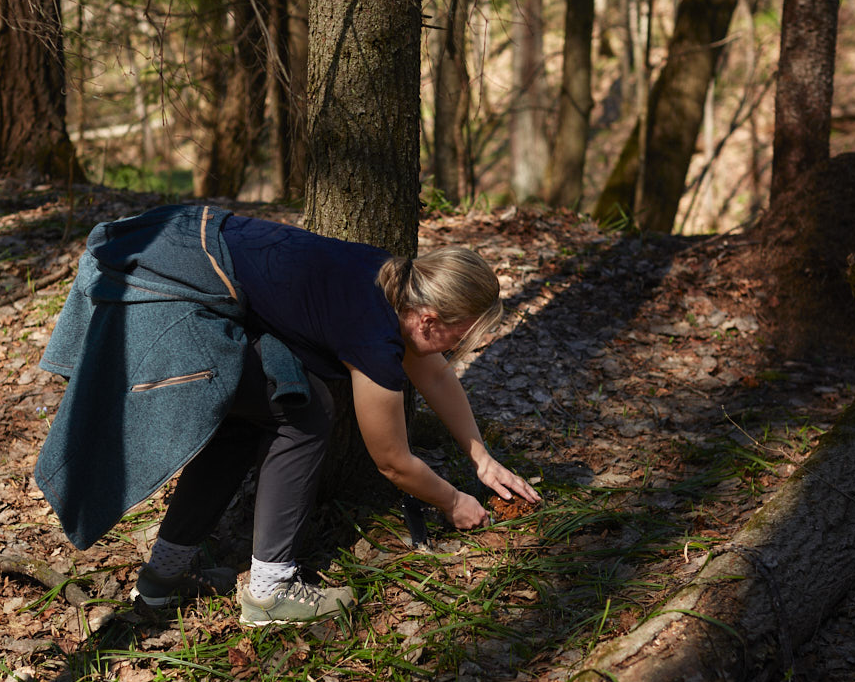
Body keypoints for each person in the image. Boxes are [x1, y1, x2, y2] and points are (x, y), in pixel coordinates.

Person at [34, 204, 539, 627]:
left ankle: (162, 583)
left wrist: (481, 457)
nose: (459, 349)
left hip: (175, 250)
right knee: (304, 409)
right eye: (462, 335)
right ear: (429, 319)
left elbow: (432, 375)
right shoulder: (373, 332)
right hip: (164, 291)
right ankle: (272, 590)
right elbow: (392, 461)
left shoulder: (388, 279)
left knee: (246, 411)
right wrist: (453, 503)